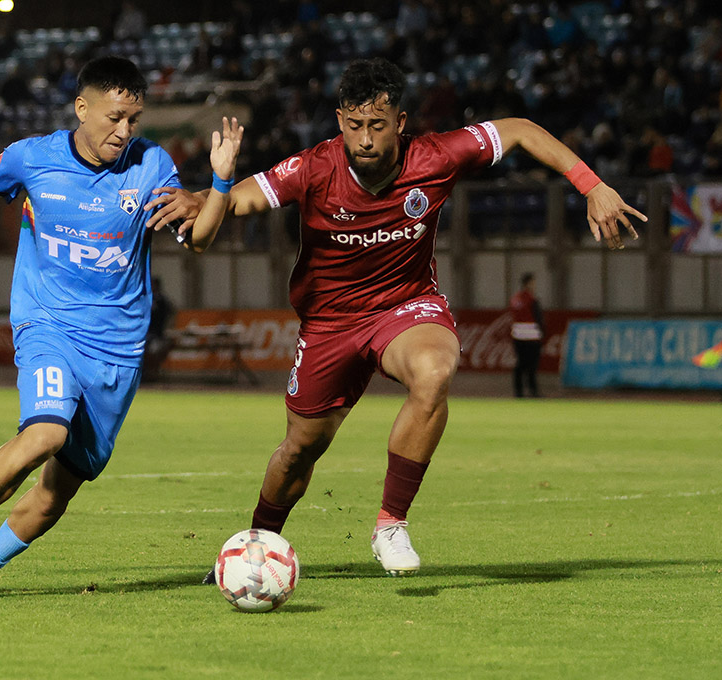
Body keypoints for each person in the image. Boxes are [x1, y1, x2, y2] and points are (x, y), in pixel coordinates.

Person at [145, 57, 644, 579]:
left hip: (405, 306)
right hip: (329, 324)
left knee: (434, 372)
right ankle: (258, 542)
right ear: (340, 121)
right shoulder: (315, 166)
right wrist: (207, 195)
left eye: (377, 126)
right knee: (300, 449)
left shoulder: (436, 157)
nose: (364, 138)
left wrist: (591, 184)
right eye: (355, 125)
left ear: (400, 123)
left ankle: (391, 523)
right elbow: (247, 197)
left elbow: (518, 129)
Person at [0, 56, 243, 596]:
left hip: (118, 350)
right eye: (114, 117)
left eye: (134, 119)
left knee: (57, 492)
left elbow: (200, 239)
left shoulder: (151, 166)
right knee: (45, 431)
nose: (124, 130)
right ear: (82, 108)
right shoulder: (33, 158)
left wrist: (222, 179)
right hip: (49, 324)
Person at [509, 272, 544, 398]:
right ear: (528, 283)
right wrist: (542, 332)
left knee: (520, 364)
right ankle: (533, 391)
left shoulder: (515, 299)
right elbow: (538, 317)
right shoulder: (532, 299)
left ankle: (518, 391)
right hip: (532, 335)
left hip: (518, 335)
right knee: (532, 365)